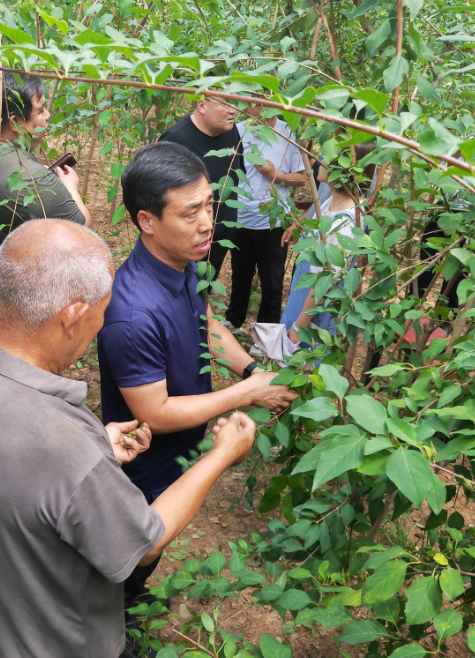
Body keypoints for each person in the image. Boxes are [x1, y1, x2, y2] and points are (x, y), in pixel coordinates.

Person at [0, 219, 256, 658]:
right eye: (101, 314)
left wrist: (97, 446)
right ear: (73, 316)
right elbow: (147, 542)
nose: (102, 326)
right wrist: (221, 454)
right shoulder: (66, 452)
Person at [97, 143, 298, 619]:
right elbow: (154, 413)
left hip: (181, 446)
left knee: (149, 553)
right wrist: (249, 392)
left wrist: (250, 370)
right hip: (145, 460)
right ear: (147, 220)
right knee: (135, 548)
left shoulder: (178, 265)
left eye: (208, 205)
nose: (208, 222)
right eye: (190, 213)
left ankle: (128, 598)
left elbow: (204, 321)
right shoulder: (131, 314)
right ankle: (112, 622)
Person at [0, 71, 92, 330]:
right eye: (41, 110)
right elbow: (81, 227)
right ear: (14, 122)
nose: (48, 116)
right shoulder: (30, 180)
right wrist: (70, 187)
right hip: (10, 290)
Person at [229, 105, 308, 355]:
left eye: (266, 99)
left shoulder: (288, 134)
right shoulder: (237, 132)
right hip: (240, 216)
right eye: (254, 99)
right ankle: (233, 320)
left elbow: (304, 177)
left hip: (273, 220)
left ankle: (264, 337)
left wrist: (276, 176)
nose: (260, 106)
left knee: (271, 281)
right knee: (239, 273)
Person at [280, 142, 377, 344]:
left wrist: (299, 328)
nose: (321, 161)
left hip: (310, 318)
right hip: (301, 303)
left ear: (341, 170)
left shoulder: (343, 223)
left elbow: (324, 285)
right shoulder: (330, 204)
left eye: (327, 157)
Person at [159, 94, 244, 315]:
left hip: (217, 239)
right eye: (225, 103)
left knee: (201, 293)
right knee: (177, 296)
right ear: (201, 105)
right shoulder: (176, 141)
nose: (233, 109)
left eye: (235, 102)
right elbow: (160, 198)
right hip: (187, 241)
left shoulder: (231, 131)